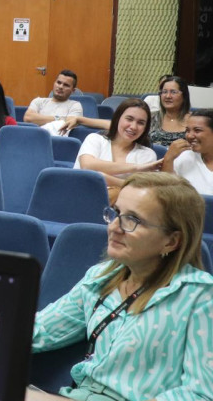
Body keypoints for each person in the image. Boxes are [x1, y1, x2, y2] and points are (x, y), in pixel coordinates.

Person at [32, 172, 213, 401]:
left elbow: (201, 394)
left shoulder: (200, 297)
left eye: (132, 220)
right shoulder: (101, 278)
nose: (114, 227)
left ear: (171, 241)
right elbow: (40, 331)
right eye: (116, 213)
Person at [74, 98, 161, 189]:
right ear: (117, 118)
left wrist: (104, 177)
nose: (133, 127)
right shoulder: (94, 139)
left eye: (141, 123)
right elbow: (87, 166)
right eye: (129, 119)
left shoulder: (148, 155)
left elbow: (139, 189)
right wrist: (136, 168)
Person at [163, 108, 213, 194]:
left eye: (197, 130)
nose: (189, 136)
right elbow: (167, 193)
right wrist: (168, 159)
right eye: (187, 130)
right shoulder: (184, 156)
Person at [150, 76, 190, 146]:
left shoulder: (194, 121)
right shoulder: (150, 118)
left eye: (173, 92)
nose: (168, 96)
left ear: (184, 96)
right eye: (164, 92)